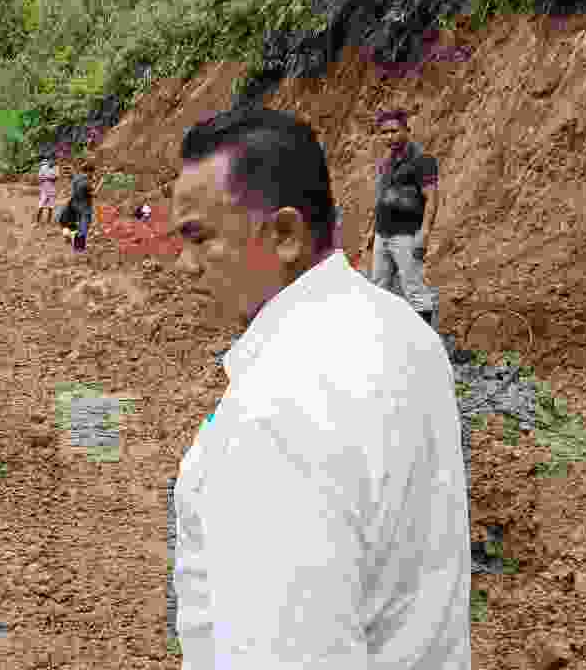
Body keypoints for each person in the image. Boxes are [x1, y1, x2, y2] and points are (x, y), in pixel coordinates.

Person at [168, 105, 469, 670]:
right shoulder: (410, 336)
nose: (185, 266)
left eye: (198, 236)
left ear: (284, 234)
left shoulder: (273, 413)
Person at [362, 108, 440, 329]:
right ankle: (386, 338)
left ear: (407, 130)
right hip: (382, 233)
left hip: (406, 235)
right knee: (378, 288)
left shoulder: (422, 160)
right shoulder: (385, 162)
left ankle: (425, 342)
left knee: (414, 289)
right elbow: (380, 199)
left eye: (394, 131)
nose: (389, 136)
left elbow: (432, 199)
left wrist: (424, 233)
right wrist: (371, 231)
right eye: (384, 132)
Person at [36, 156, 58, 224]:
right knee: (41, 205)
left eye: (53, 160)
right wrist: (49, 177)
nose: (52, 162)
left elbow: (56, 177)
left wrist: (47, 177)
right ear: (48, 161)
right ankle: (38, 221)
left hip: (52, 189)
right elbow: (40, 177)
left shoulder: (56, 168)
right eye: (51, 160)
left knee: (51, 206)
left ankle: (48, 221)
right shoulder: (43, 167)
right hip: (44, 189)